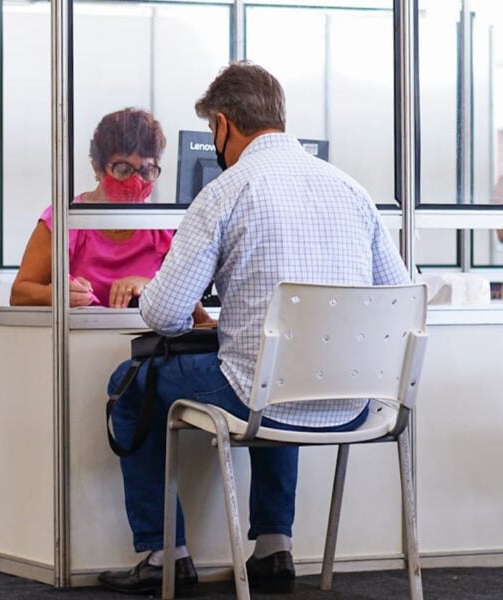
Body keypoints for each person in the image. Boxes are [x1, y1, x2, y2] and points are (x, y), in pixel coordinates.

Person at [99, 62, 410, 595]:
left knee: (131, 384)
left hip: (258, 397)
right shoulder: (352, 191)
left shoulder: (225, 191)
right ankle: (273, 549)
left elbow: (162, 316)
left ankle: (162, 556)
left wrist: (196, 311)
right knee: (285, 370)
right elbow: (401, 303)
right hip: (357, 402)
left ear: (222, 125)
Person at [11, 108, 182, 310]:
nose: (136, 181)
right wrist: (57, 294)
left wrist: (150, 285)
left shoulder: (163, 227)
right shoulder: (65, 221)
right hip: (77, 338)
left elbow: (188, 297)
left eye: (146, 171)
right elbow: (19, 293)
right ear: (97, 168)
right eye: (123, 169)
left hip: (146, 337)